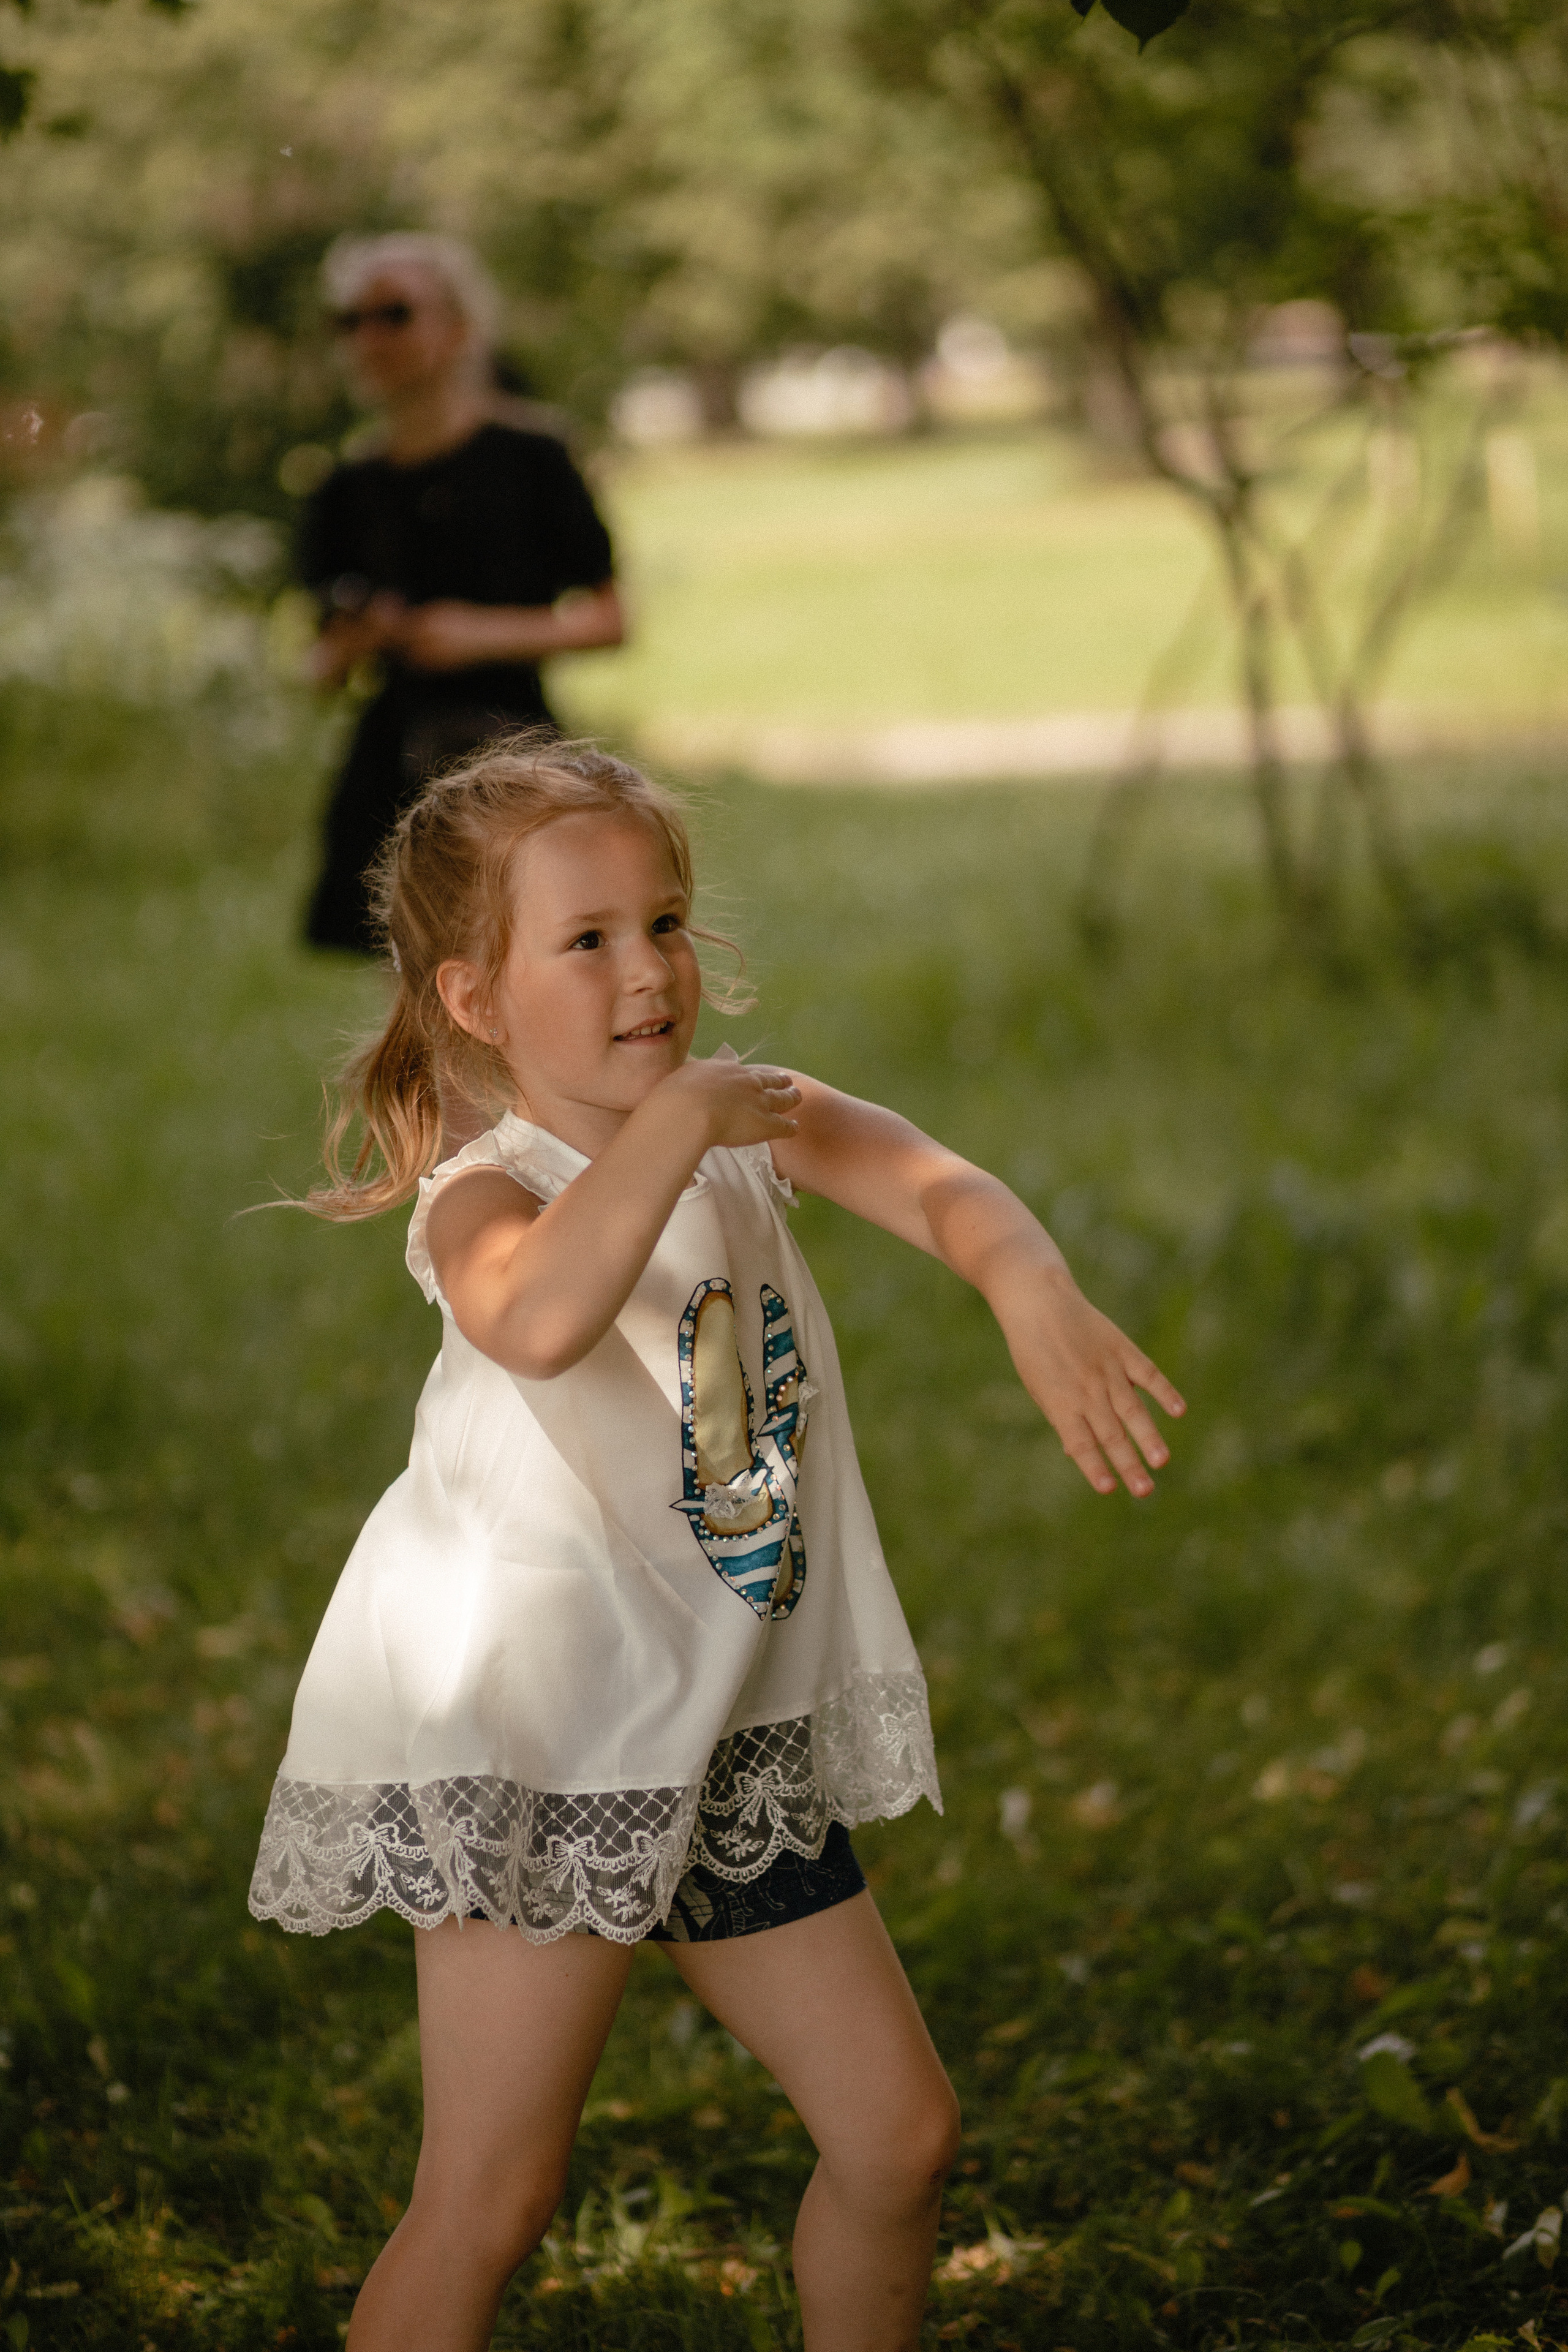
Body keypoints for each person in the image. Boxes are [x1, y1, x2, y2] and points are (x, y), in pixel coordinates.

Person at [248, 734, 1185, 2351]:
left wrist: (1029, 1283)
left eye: (665, 924)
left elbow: (939, 1185)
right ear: (476, 1000)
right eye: (589, 940)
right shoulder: (487, 1193)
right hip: (540, 1744)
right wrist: (676, 1126)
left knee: (900, 2140)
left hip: (723, 1729)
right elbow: (539, 1321)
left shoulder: (740, 1116)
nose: (648, 972)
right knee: (490, 2199)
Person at [298, 233, 624, 954]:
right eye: (350, 321)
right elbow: (318, 666)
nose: (369, 338)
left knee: (535, 965)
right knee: (415, 997)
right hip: (393, 760)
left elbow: (610, 619)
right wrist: (358, 639)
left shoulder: (531, 458)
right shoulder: (345, 488)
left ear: (458, 327)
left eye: (394, 314)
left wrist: (479, 634)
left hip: (514, 754)